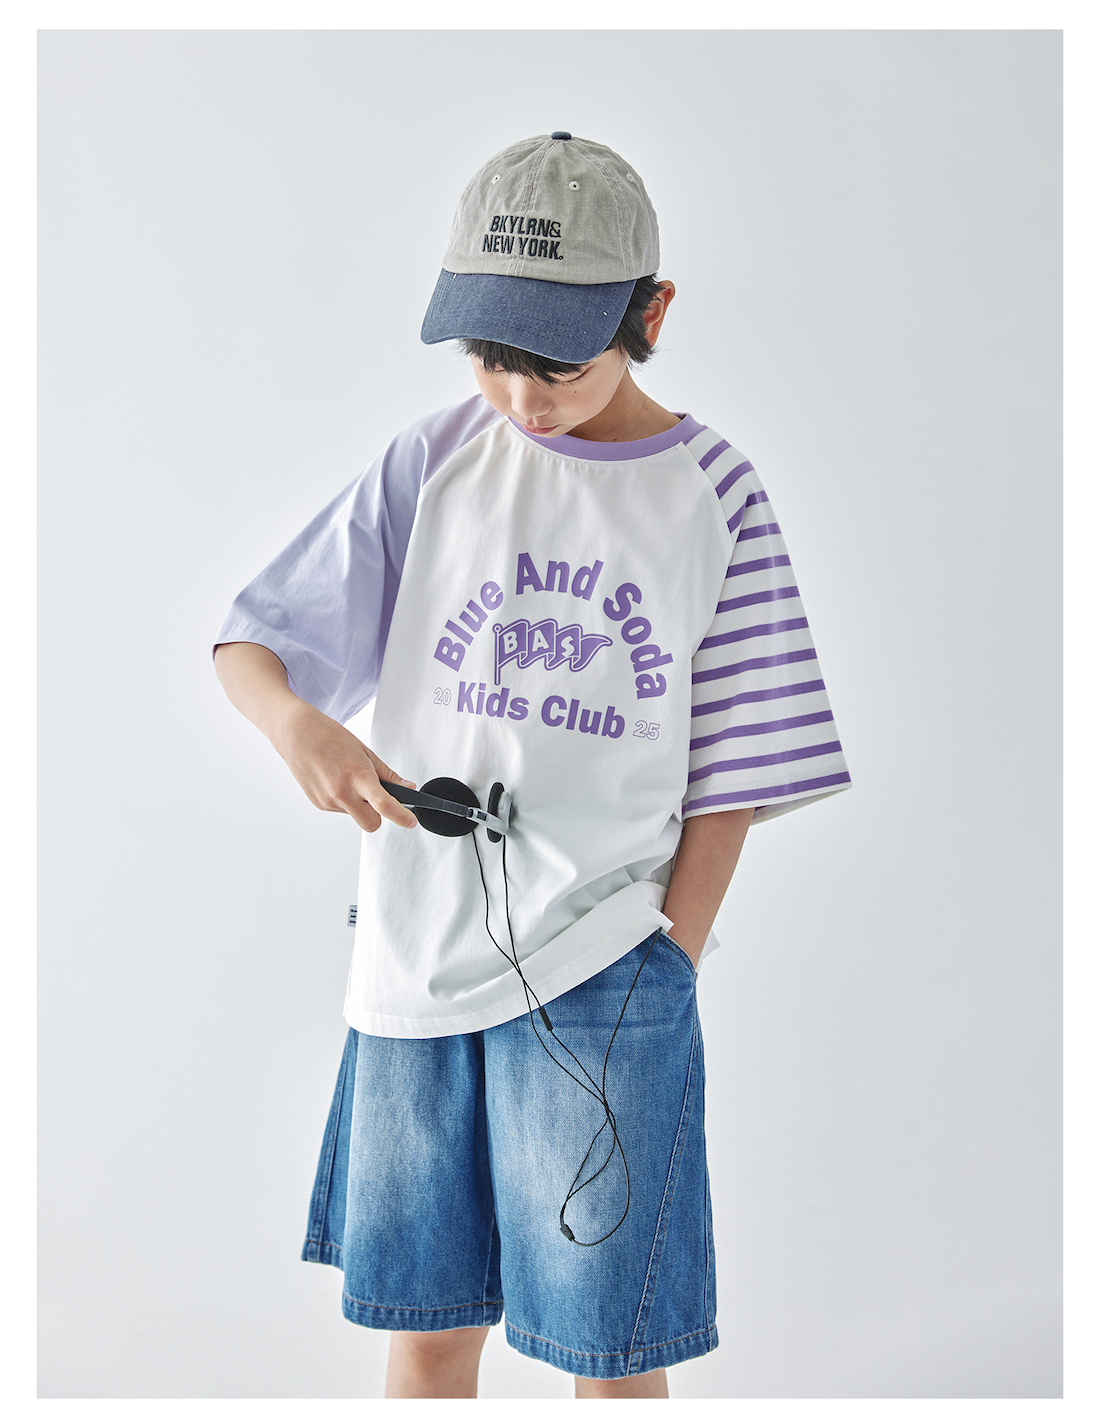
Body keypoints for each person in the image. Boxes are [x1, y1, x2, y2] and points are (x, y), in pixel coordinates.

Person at [213, 132, 850, 1399]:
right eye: (488, 355)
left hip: (606, 971)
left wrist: (667, 956)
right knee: (426, 1327)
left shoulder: (712, 496)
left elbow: (734, 770)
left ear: (648, 314)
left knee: (609, 1351)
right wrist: (298, 726)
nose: (519, 394)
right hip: (414, 969)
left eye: (555, 361)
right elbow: (251, 643)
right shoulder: (436, 462)